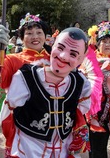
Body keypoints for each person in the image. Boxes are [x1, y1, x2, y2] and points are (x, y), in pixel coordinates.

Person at [6, 27, 91, 157]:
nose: (63, 56)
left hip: (63, 147)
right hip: (29, 147)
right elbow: (9, 110)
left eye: (73, 54)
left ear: (81, 59)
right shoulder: (25, 77)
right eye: (60, 48)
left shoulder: (81, 83)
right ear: (52, 45)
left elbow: (81, 110)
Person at [0, 13, 50, 154]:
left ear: (45, 36)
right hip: (23, 119)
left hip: (51, 118)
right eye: (29, 33)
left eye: (39, 32)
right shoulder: (12, 59)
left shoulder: (55, 58)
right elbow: (0, 78)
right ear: (21, 38)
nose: (35, 36)